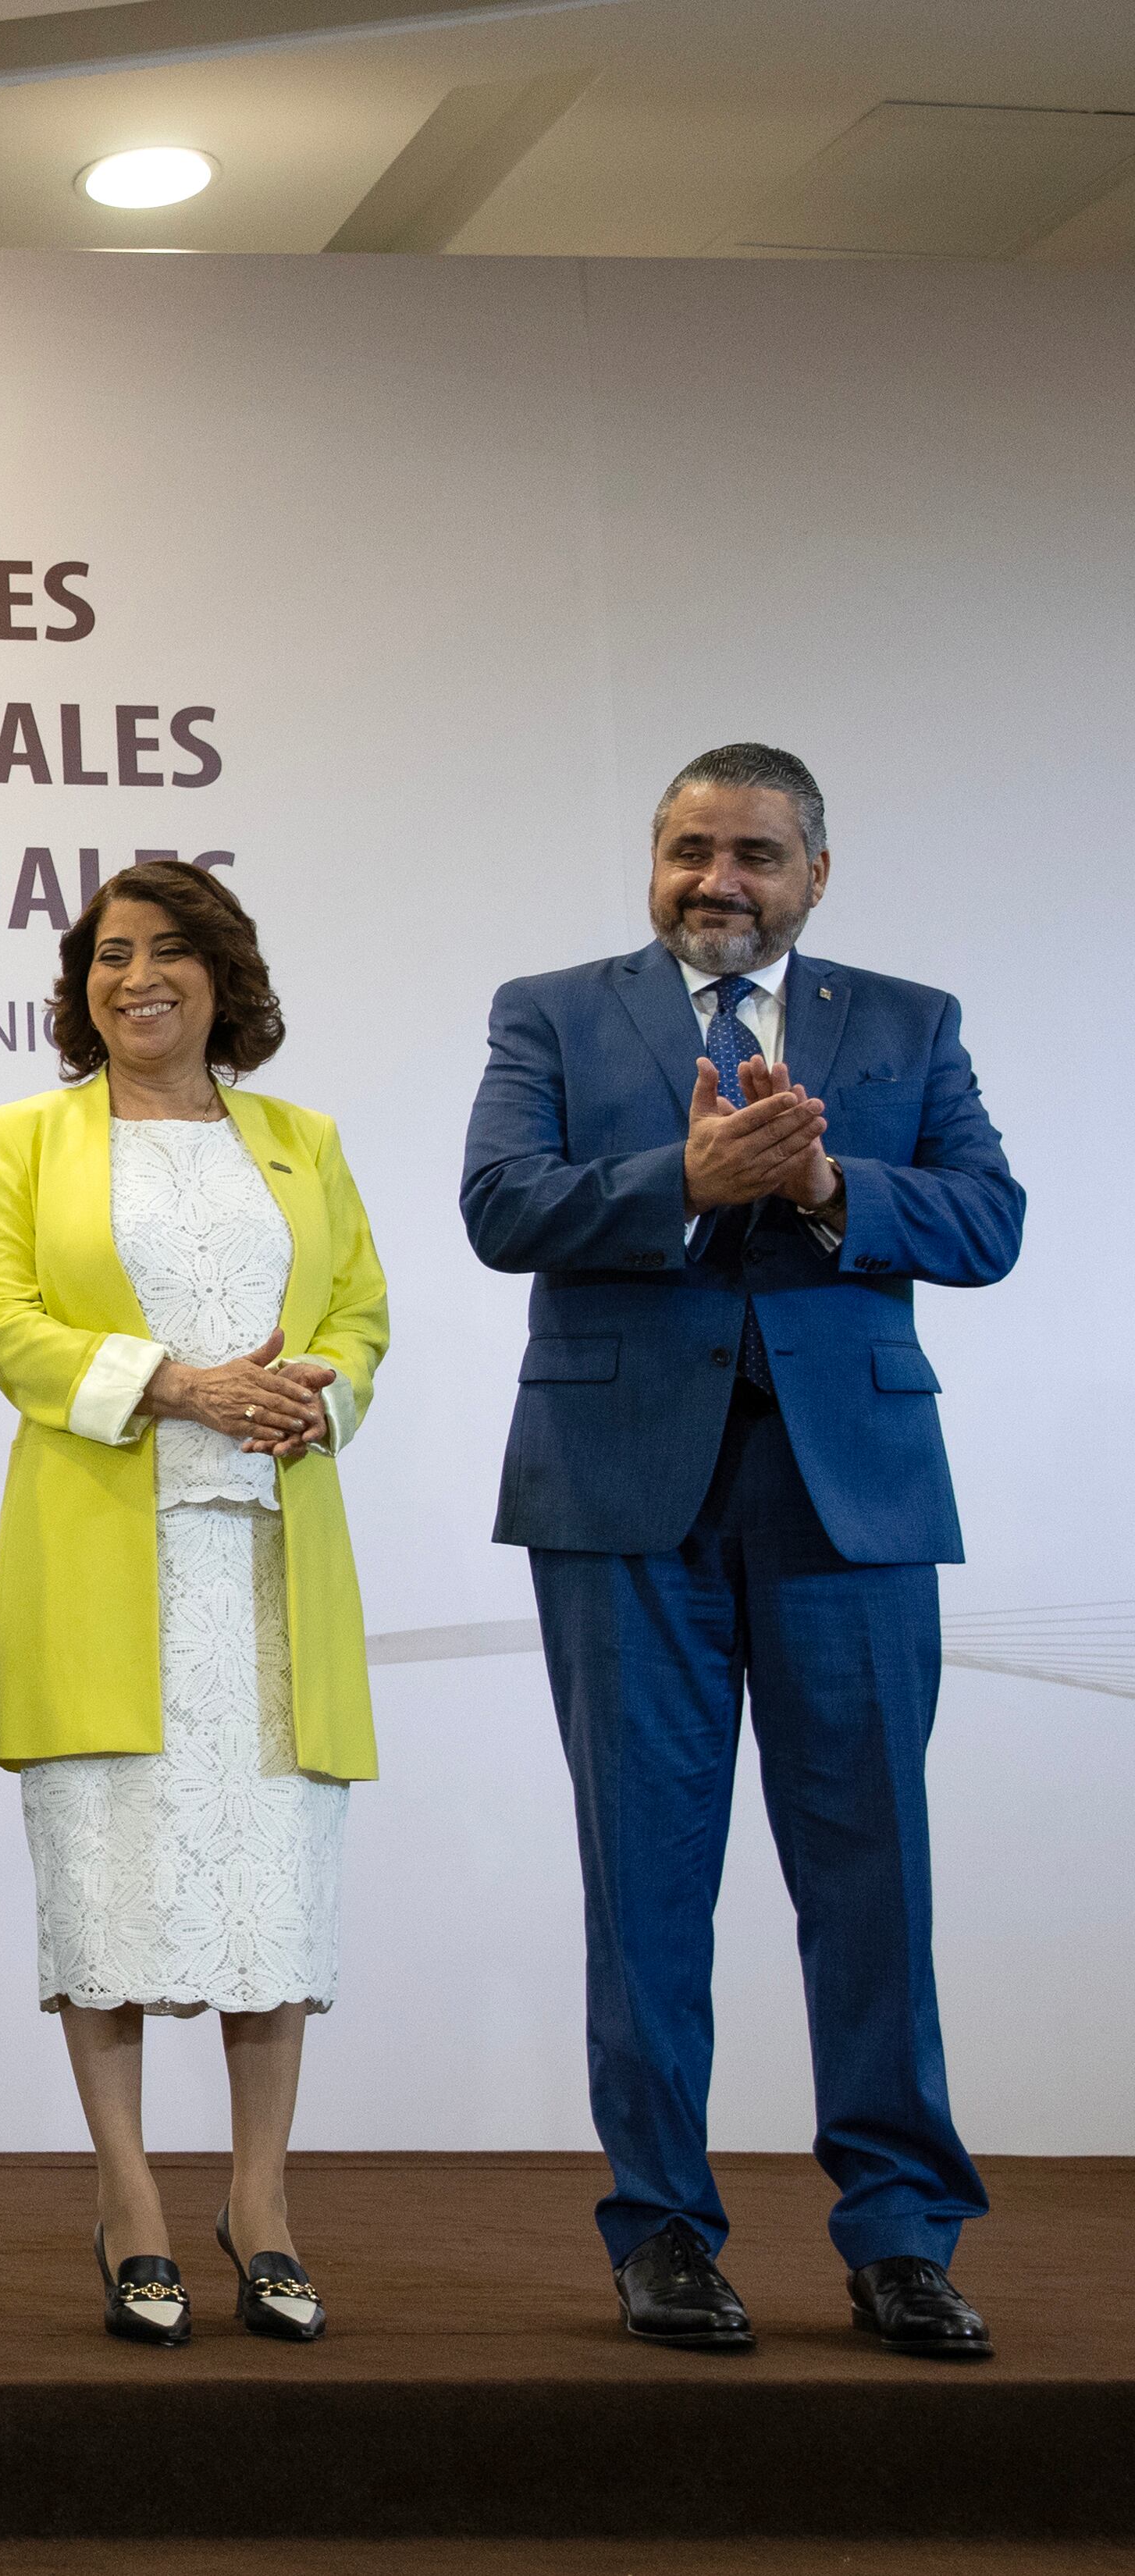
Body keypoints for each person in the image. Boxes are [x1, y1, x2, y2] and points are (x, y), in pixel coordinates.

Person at [461, 742, 1019, 2362]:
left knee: (873, 1878)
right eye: (690, 850)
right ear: (653, 860)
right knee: (645, 1882)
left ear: (814, 877)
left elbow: (990, 1219)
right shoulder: (554, 1011)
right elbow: (500, 1204)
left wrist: (834, 1182)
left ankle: (902, 2238)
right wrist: (681, 1181)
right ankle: (663, 2234)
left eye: (755, 855)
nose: (719, 880)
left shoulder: (909, 1024)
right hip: (624, 1495)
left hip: (850, 1500)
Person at [0, 859, 388, 2350]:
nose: (132, 977)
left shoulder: (302, 1139)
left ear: (223, 976)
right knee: (110, 1897)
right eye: (105, 956)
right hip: (105, 1562)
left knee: (269, 1901)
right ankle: (132, 2195)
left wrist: (310, 1394)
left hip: (269, 1564)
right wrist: (173, 1383)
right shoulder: (27, 1139)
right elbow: (7, 1326)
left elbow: (361, 1317)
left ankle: (262, 2203)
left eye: (164, 953)